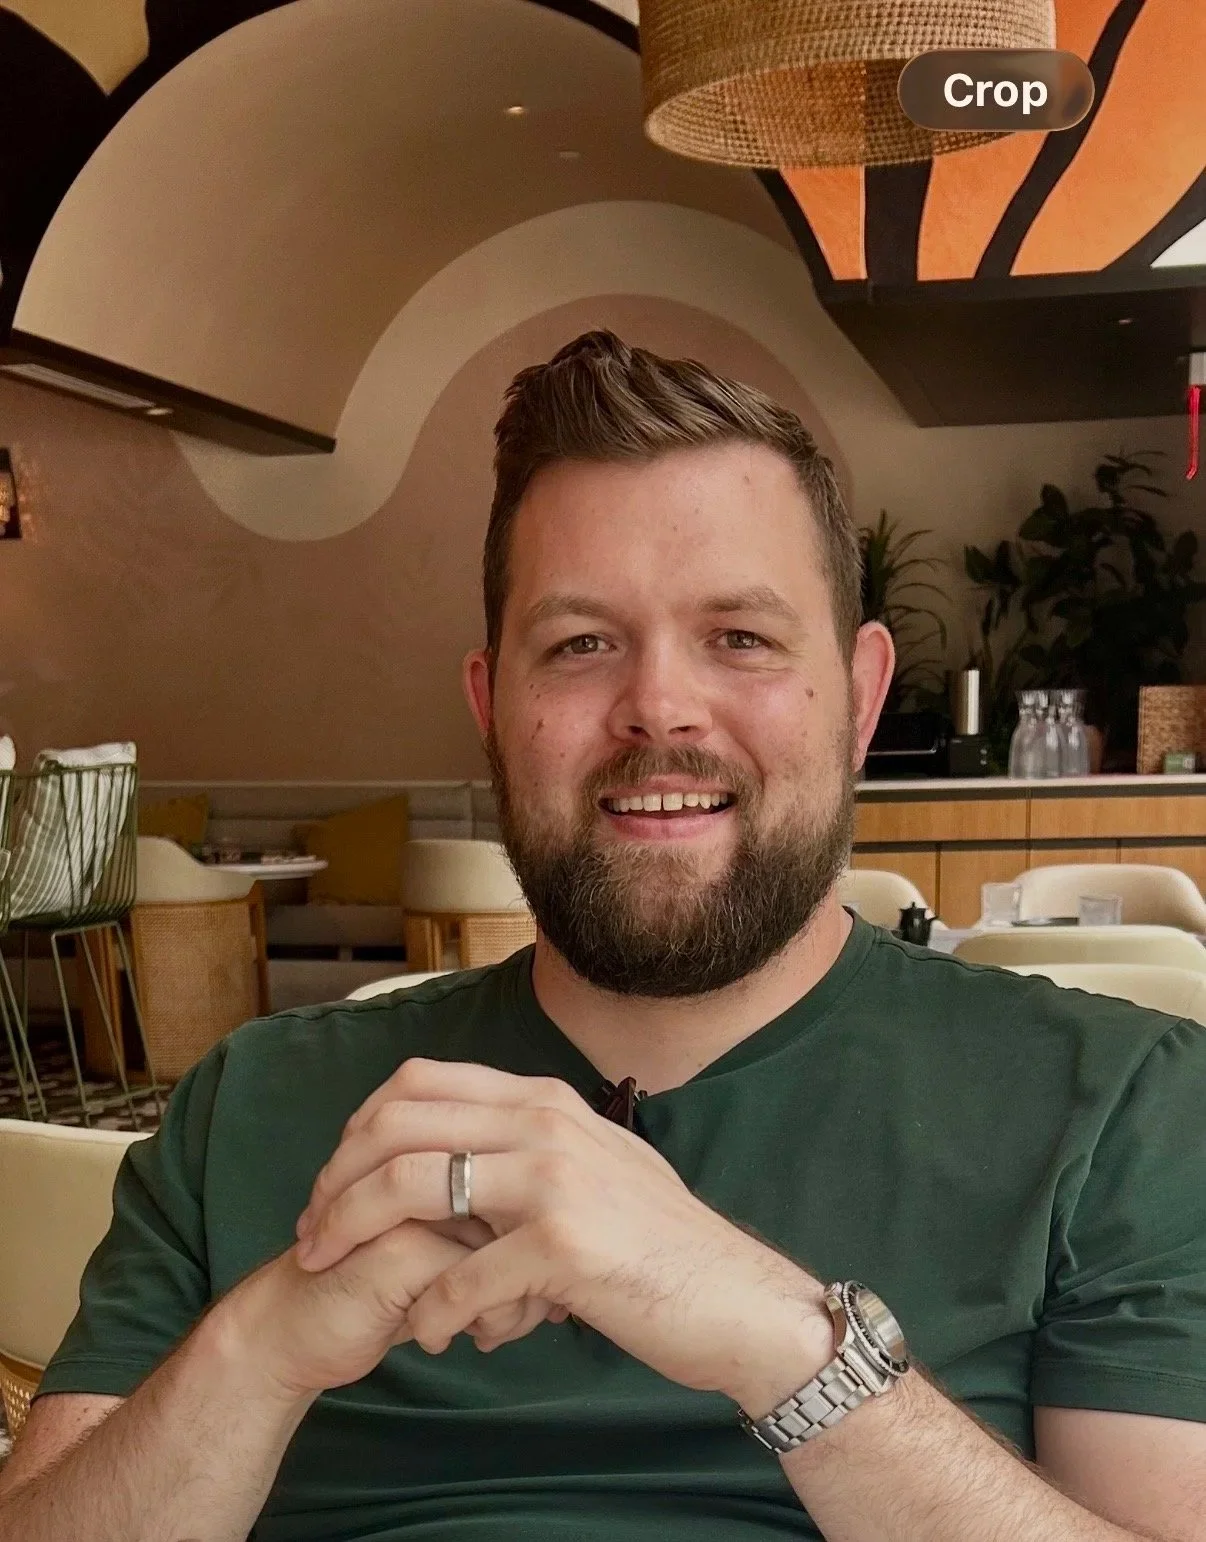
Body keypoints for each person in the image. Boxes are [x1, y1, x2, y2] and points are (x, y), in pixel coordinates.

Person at [2, 331, 1205, 1542]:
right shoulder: (250, 1108)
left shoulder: (1122, 1106)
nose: (659, 709)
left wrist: (786, 1345)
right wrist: (262, 1348)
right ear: (490, 707)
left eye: (740, 637)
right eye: (582, 644)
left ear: (861, 697)